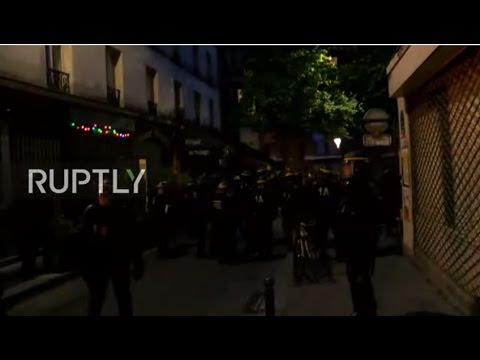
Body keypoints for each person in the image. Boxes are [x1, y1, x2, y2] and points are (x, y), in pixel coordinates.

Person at [78, 180, 144, 316]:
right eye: (102, 193)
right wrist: (85, 268)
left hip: (118, 260)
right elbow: (84, 242)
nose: (104, 196)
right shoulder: (92, 213)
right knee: (97, 297)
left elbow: (132, 239)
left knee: (122, 295)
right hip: (98, 262)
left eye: (107, 193)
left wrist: (137, 261)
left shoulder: (122, 213)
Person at [340, 161, 378, 316]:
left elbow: (355, 220)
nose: (344, 169)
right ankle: (364, 309)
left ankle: (363, 310)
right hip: (361, 243)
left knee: (359, 279)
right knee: (360, 279)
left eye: (347, 166)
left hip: (358, 244)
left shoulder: (356, 189)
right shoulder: (362, 187)